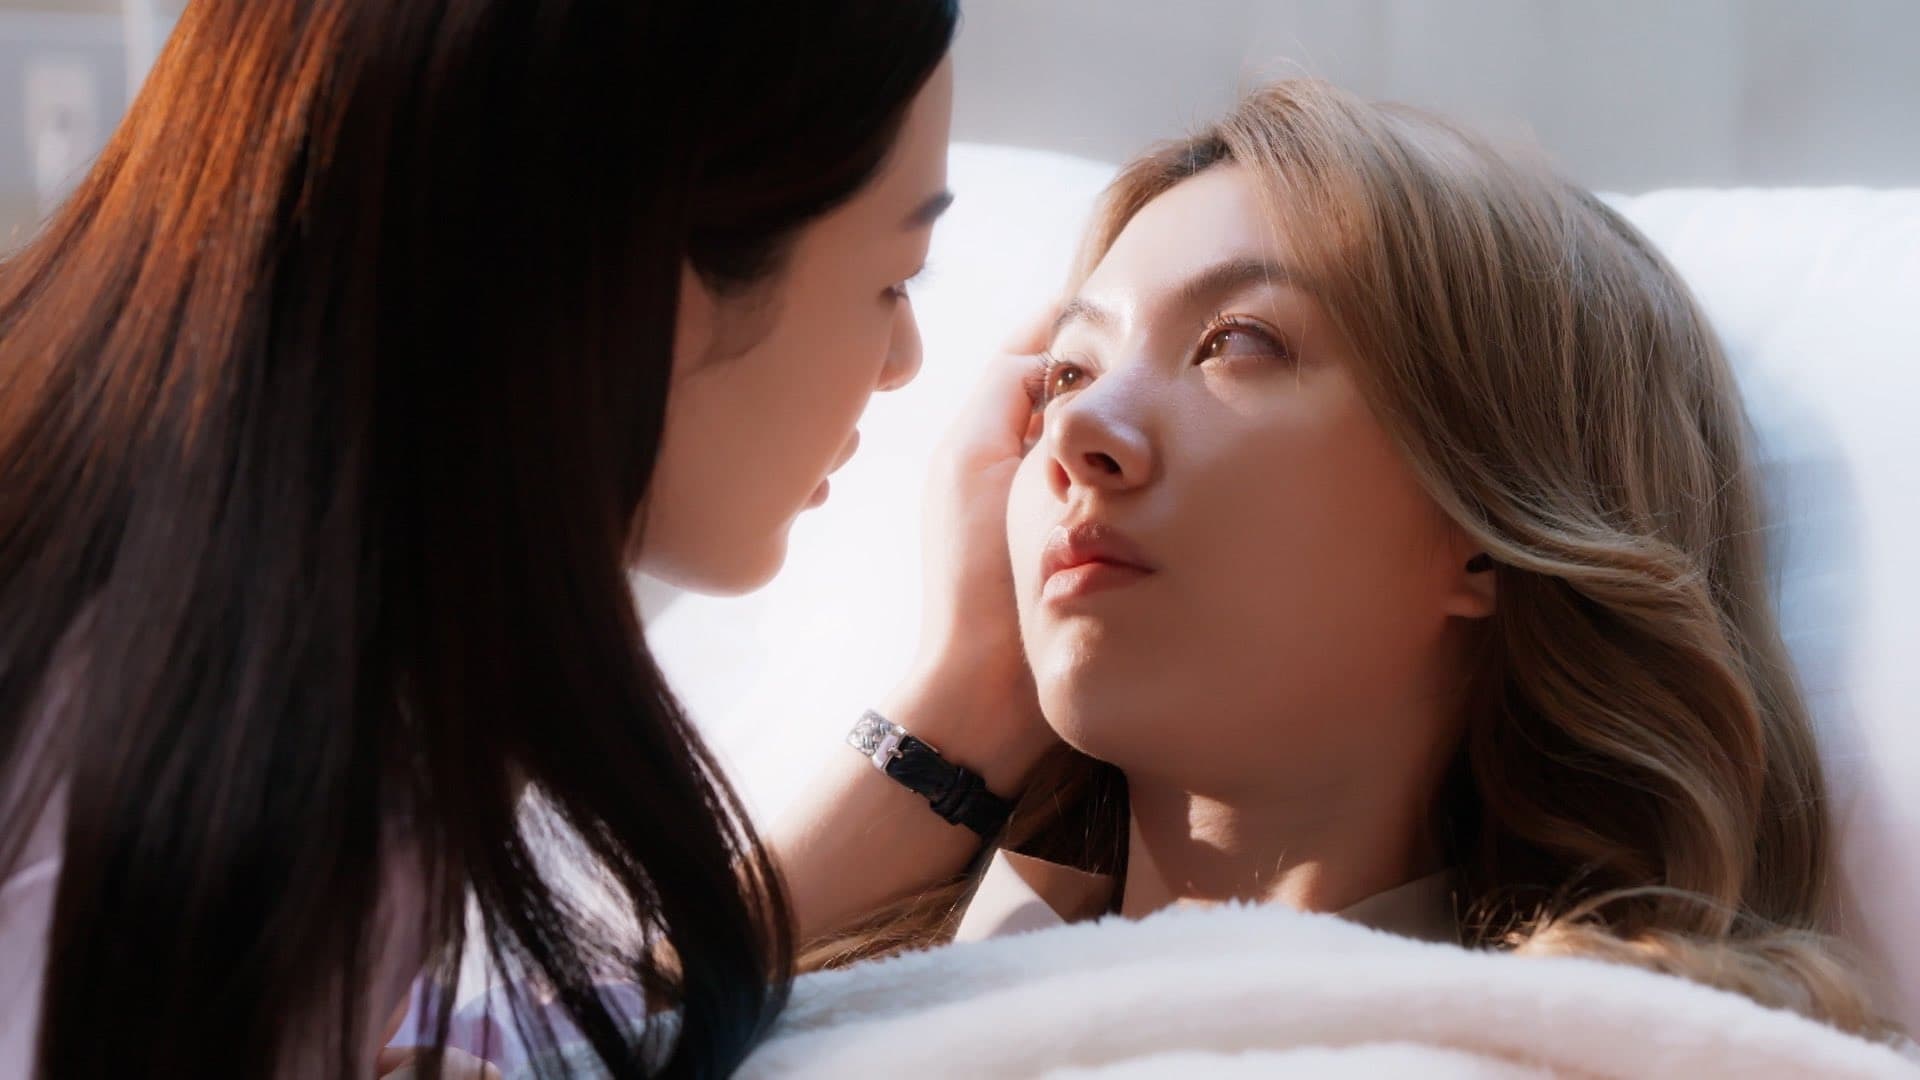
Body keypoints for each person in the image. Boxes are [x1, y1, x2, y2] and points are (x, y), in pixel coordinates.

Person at [0, 2, 1062, 1075]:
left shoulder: (211, 613)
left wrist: (965, 704)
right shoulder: (261, 796)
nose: (906, 360)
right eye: (895, 277)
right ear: (656, 280)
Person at [798, 79, 1889, 1040]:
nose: (1080, 432)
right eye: (1069, 375)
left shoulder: (1641, 1053)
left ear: (1485, 527)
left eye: (1237, 342)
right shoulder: (803, 998)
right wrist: (963, 696)